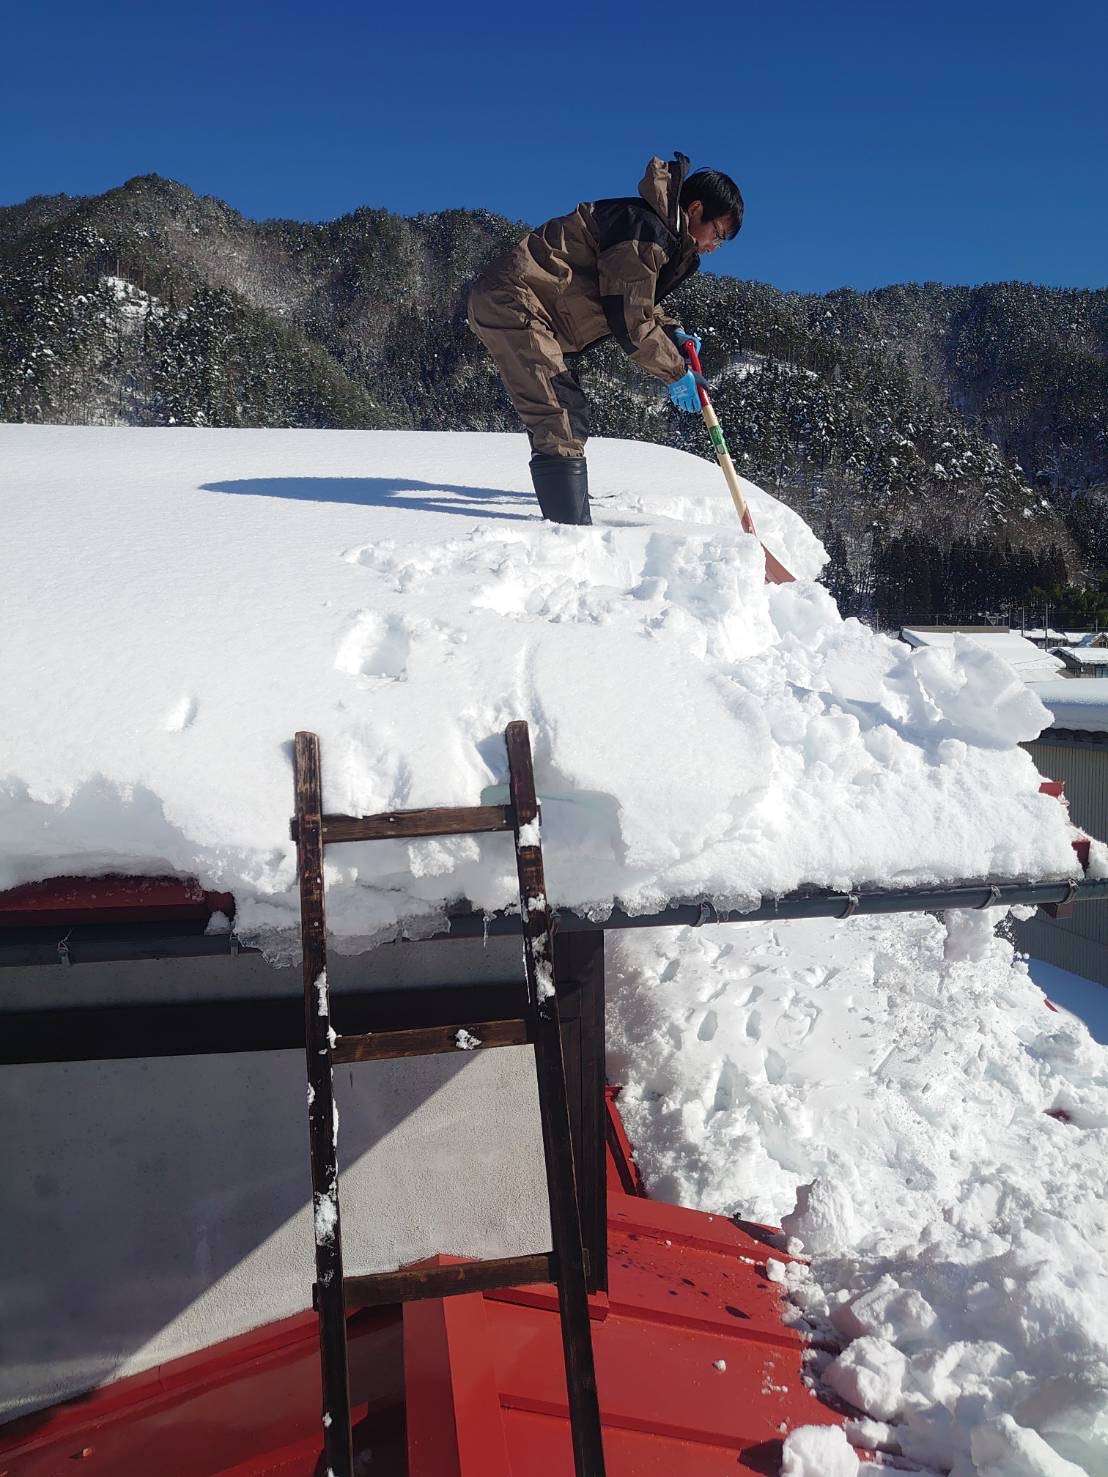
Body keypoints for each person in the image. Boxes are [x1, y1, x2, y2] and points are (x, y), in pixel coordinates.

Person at [467, 152, 744, 525]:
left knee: (570, 412)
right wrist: (676, 372)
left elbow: (636, 296)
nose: (714, 246)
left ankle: (567, 510)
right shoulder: (642, 229)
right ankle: (571, 537)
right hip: (515, 301)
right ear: (695, 209)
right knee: (557, 413)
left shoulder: (657, 235)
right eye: (718, 234)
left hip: (536, 311)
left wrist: (673, 331)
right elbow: (630, 316)